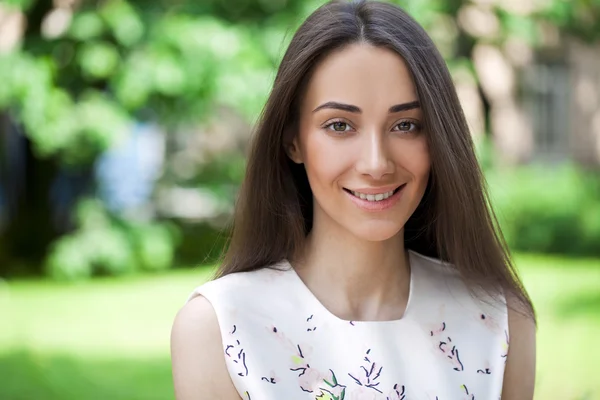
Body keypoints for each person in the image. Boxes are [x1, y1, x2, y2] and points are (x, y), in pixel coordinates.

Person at [170, 0, 536, 399]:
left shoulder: (499, 320)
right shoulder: (219, 329)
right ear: (293, 140)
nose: (376, 163)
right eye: (340, 125)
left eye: (406, 125)